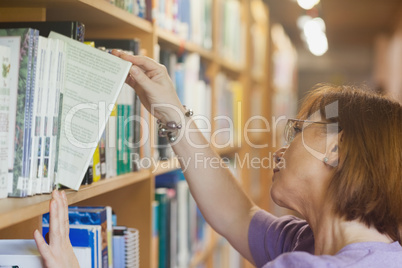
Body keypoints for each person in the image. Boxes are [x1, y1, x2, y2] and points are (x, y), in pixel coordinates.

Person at [34, 51, 402, 267]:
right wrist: (172, 113)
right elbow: (236, 215)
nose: (278, 149)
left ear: (336, 150)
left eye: (297, 130)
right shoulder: (319, 243)